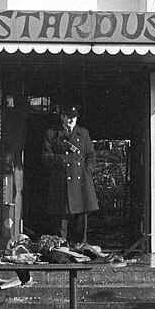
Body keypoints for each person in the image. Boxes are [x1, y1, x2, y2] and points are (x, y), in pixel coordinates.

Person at [42, 103, 98, 246]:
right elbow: (46, 157)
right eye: (68, 117)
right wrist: (65, 160)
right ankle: (62, 251)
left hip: (80, 183)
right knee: (61, 221)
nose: (71, 120)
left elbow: (91, 155)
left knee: (81, 220)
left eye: (74, 117)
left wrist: (87, 170)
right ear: (62, 117)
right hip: (61, 182)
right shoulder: (52, 134)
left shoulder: (83, 133)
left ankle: (81, 249)